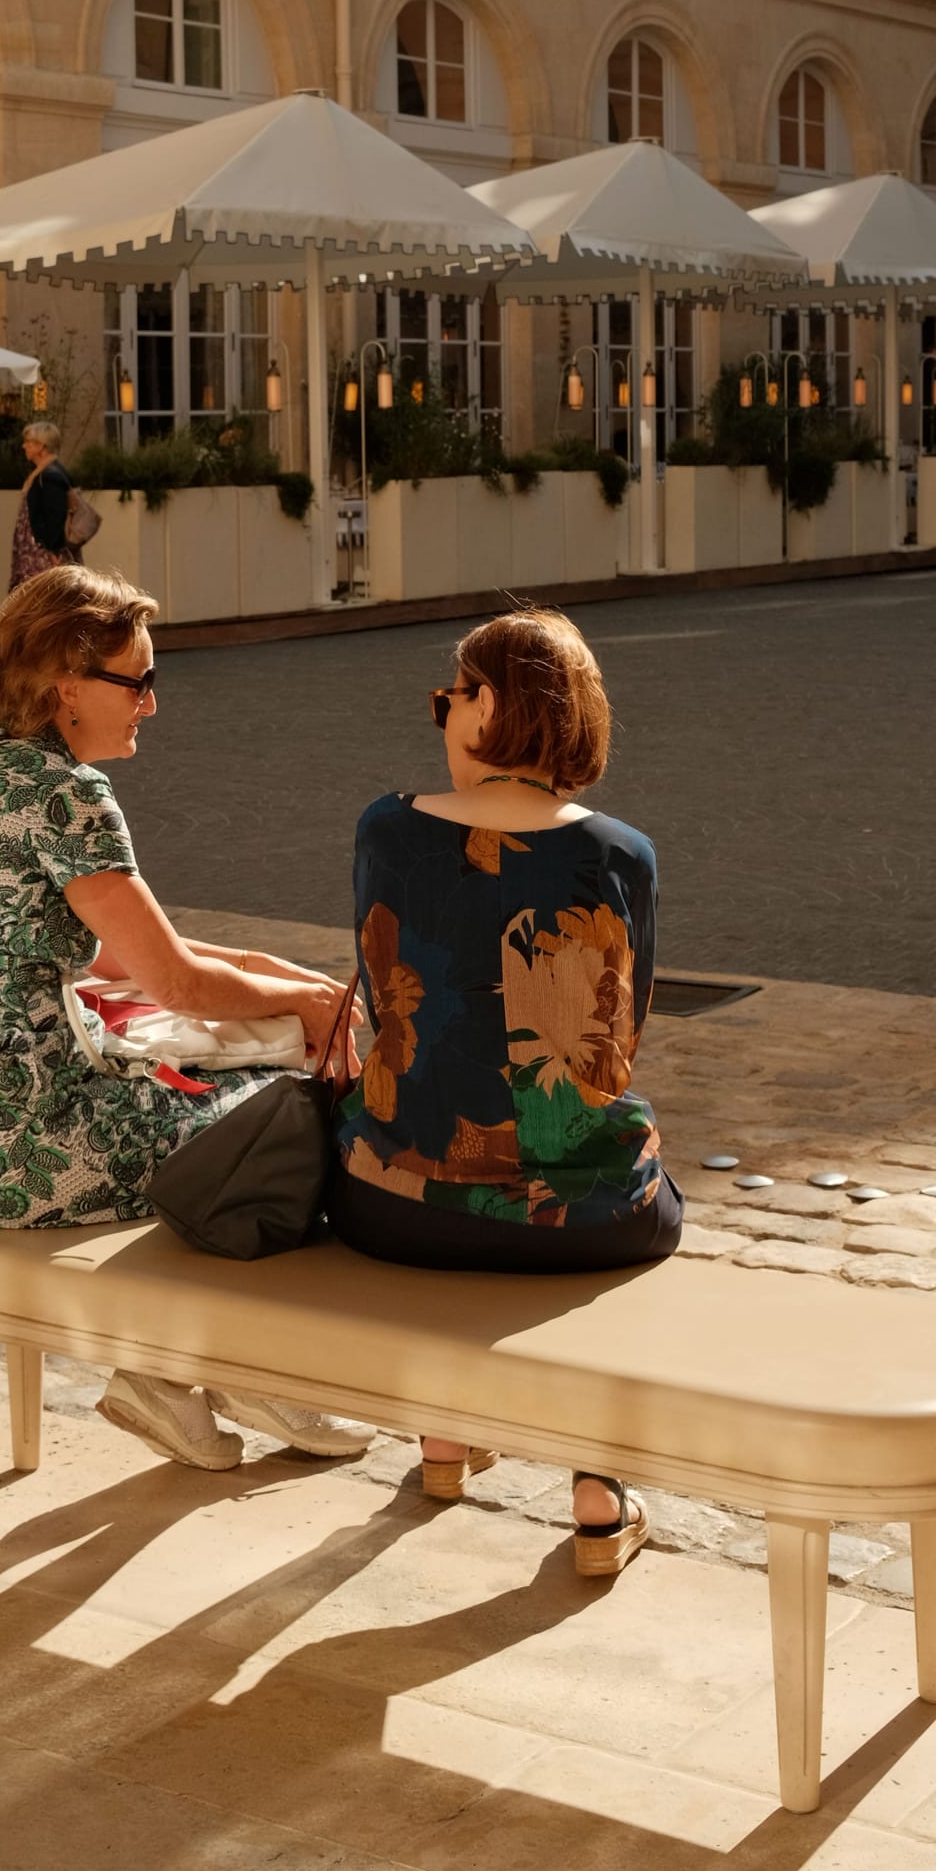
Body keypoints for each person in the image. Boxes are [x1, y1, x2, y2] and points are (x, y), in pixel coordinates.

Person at [0, 562, 369, 1473]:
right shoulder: (65, 793)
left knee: (224, 1090)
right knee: (279, 1118)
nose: (151, 703)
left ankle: (173, 1373)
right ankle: (239, 1369)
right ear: (65, 685)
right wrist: (306, 1009)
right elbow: (179, 984)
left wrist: (294, 985)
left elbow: (132, 953)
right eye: (138, 680)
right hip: (0, 1146)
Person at [327, 608, 682, 1577]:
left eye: (447, 698)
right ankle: (597, 1491)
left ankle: (445, 1438)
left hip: (396, 1202)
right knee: (611, 1169)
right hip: (581, 1222)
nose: (441, 716)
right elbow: (617, 1045)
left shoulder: (388, 828)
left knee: (427, 1122)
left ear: (486, 705)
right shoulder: (620, 854)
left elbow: (388, 996)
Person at [10, 417, 78, 584]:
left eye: (29, 442)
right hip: (37, 551)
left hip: (43, 555)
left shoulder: (50, 475)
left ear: (42, 446)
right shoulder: (45, 472)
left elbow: (56, 514)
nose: (24, 446)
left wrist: (53, 550)